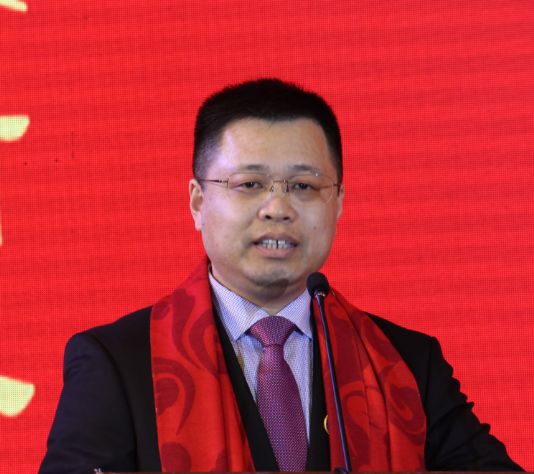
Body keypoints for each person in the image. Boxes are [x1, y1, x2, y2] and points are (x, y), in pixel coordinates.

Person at [40, 78, 522, 473]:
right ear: (198, 202)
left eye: (303, 186)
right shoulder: (117, 362)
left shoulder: (407, 363)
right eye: (249, 184)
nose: (277, 208)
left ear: (338, 203)